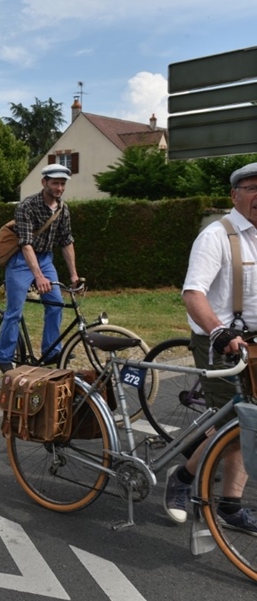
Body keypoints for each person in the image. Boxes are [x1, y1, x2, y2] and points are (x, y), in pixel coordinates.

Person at [163, 161, 257, 533]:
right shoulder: (216, 235)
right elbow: (193, 293)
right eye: (252, 188)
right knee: (236, 422)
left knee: (250, 422)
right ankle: (183, 478)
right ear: (235, 195)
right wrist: (218, 331)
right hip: (219, 342)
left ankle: (228, 505)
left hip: (253, 343)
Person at [0, 163, 81, 373]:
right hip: (21, 261)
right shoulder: (27, 206)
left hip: (45, 259)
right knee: (14, 311)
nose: (59, 188)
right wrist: (38, 277)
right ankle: (2, 356)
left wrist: (74, 275)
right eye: (55, 183)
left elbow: (66, 241)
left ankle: (51, 351)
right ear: (44, 182)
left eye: (62, 184)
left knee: (56, 304)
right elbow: (26, 244)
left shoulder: (63, 209)